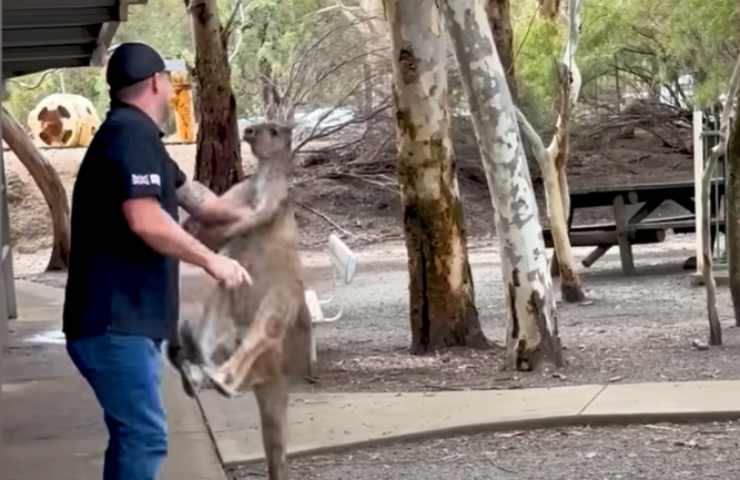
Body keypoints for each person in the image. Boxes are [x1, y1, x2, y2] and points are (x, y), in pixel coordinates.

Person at [62, 42, 250, 480]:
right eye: (167, 83)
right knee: (145, 436)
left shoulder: (139, 137)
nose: (169, 91)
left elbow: (193, 198)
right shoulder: (129, 135)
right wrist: (211, 261)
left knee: (132, 434)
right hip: (114, 325)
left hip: (122, 326)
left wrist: (253, 214)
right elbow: (145, 219)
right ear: (156, 82)